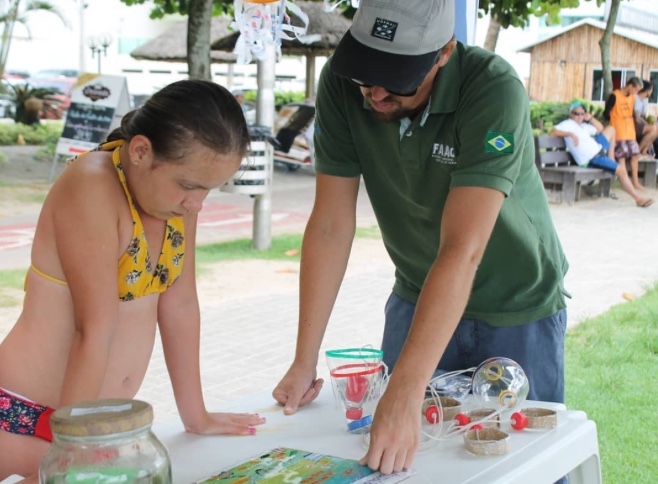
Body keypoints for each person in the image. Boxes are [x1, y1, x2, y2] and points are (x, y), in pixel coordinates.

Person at [272, 0, 569, 475]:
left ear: (445, 53)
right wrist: (303, 360)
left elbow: (462, 249)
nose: (377, 93)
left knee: (518, 465)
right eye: (366, 72)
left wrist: (406, 390)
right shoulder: (342, 84)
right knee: (398, 460)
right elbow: (330, 225)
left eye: (398, 77)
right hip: (417, 291)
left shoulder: (492, 88)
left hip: (517, 303)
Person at [0, 79, 266, 481]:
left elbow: (180, 305)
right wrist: (74, 452)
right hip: (30, 417)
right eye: (189, 186)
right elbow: (93, 330)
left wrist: (196, 415)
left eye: (208, 190)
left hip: (91, 424)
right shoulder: (91, 185)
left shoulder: (174, 200)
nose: (196, 204)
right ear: (141, 151)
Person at [550, 102, 653, 207]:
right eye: (577, 113)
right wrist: (570, 134)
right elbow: (552, 132)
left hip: (598, 150)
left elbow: (601, 129)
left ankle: (611, 157)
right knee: (621, 170)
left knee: (611, 129)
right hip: (593, 158)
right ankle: (638, 199)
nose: (580, 116)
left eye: (582, 113)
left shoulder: (584, 126)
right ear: (571, 114)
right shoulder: (568, 124)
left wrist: (590, 119)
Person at [604, 76, 643, 190]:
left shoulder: (632, 97)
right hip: (619, 131)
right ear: (630, 86)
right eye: (636, 90)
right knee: (622, 158)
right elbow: (606, 113)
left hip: (630, 131)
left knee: (635, 155)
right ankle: (625, 183)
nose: (636, 93)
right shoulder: (614, 96)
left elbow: (632, 111)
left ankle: (635, 182)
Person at [634, 80, 658, 158]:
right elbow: (636, 117)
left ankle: (644, 150)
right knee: (653, 129)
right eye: (651, 90)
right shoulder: (635, 98)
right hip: (633, 123)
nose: (651, 92)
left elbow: (643, 116)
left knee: (655, 128)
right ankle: (638, 150)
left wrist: (650, 122)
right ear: (648, 90)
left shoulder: (644, 100)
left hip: (640, 123)